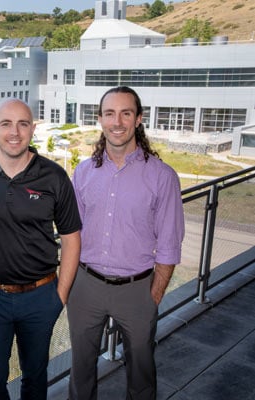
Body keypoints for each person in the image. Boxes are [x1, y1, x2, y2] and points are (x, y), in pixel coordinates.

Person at [67, 86, 185, 400]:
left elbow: (170, 243)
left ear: (138, 119)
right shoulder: (83, 172)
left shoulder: (162, 176)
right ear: (100, 119)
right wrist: (69, 285)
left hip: (137, 289)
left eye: (125, 113)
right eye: (109, 113)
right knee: (79, 372)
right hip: (86, 286)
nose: (117, 121)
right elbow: (71, 235)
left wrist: (154, 296)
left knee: (142, 373)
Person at [0, 98, 82, 399]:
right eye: (6, 123)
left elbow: (71, 237)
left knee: (35, 379)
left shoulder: (53, 176)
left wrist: (60, 295)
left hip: (41, 297)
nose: (14, 132)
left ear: (33, 128)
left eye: (23, 123)